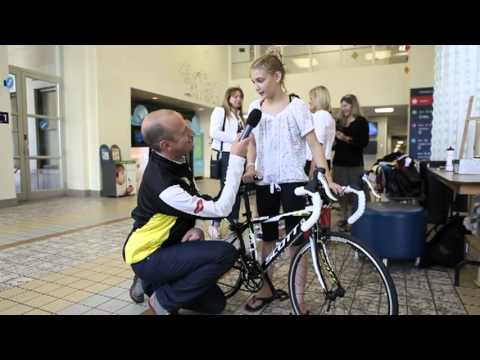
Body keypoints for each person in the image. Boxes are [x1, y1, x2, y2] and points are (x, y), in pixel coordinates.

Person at [242, 52, 343, 314]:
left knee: (296, 242)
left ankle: (299, 298)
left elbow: (314, 145)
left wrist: (327, 179)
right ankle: (265, 289)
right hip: (265, 182)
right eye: (253, 82)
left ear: (277, 76)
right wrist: (251, 166)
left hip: (293, 183)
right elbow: (251, 143)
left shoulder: (297, 107)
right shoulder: (255, 107)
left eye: (261, 80)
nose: (257, 86)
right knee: (268, 240)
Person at [124, 109, 250, 315]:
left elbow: (195, 199)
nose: (192, 132)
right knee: (225, 253)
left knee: (214, 304)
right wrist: (236, 158)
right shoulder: (163, 184)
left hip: (168, 247)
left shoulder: (176, 159)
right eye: (183, 131)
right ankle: (161, 301)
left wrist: (198, 227)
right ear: (166, 145)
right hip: (148, 254)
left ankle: (150, 284)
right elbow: (220, 208)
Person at [208, 87, 245, 239]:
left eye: (240, 97)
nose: (237, 99)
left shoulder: (239, 116)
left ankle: (233, 221)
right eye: (234, 96)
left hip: (239, 156)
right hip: (226, 155)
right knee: (227, 189)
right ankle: (215, 221)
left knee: (236, 190)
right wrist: (236, 137)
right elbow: (214, 132)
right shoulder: (220, 111)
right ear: (228, 98)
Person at [332, 94, 369, 232]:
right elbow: (334, 146)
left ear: (353, 106)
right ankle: (344, 217)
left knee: (355, 192)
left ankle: (354, 220)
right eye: (342, 106)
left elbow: (363, 142)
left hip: (354, 164)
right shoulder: (339, 122)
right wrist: (334, 141)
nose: (343, 109)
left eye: (345, 105)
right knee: (341, 192)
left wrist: (345, 138)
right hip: (339, 163)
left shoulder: (361, 122)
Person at [305, 86, 336, 177]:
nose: (309, 101)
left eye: (311, 98)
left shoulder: (320, 115)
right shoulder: (329, 117)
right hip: (324, 161)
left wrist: (312, 170)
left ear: (318, 99)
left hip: (315, 163)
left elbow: (318, 144)